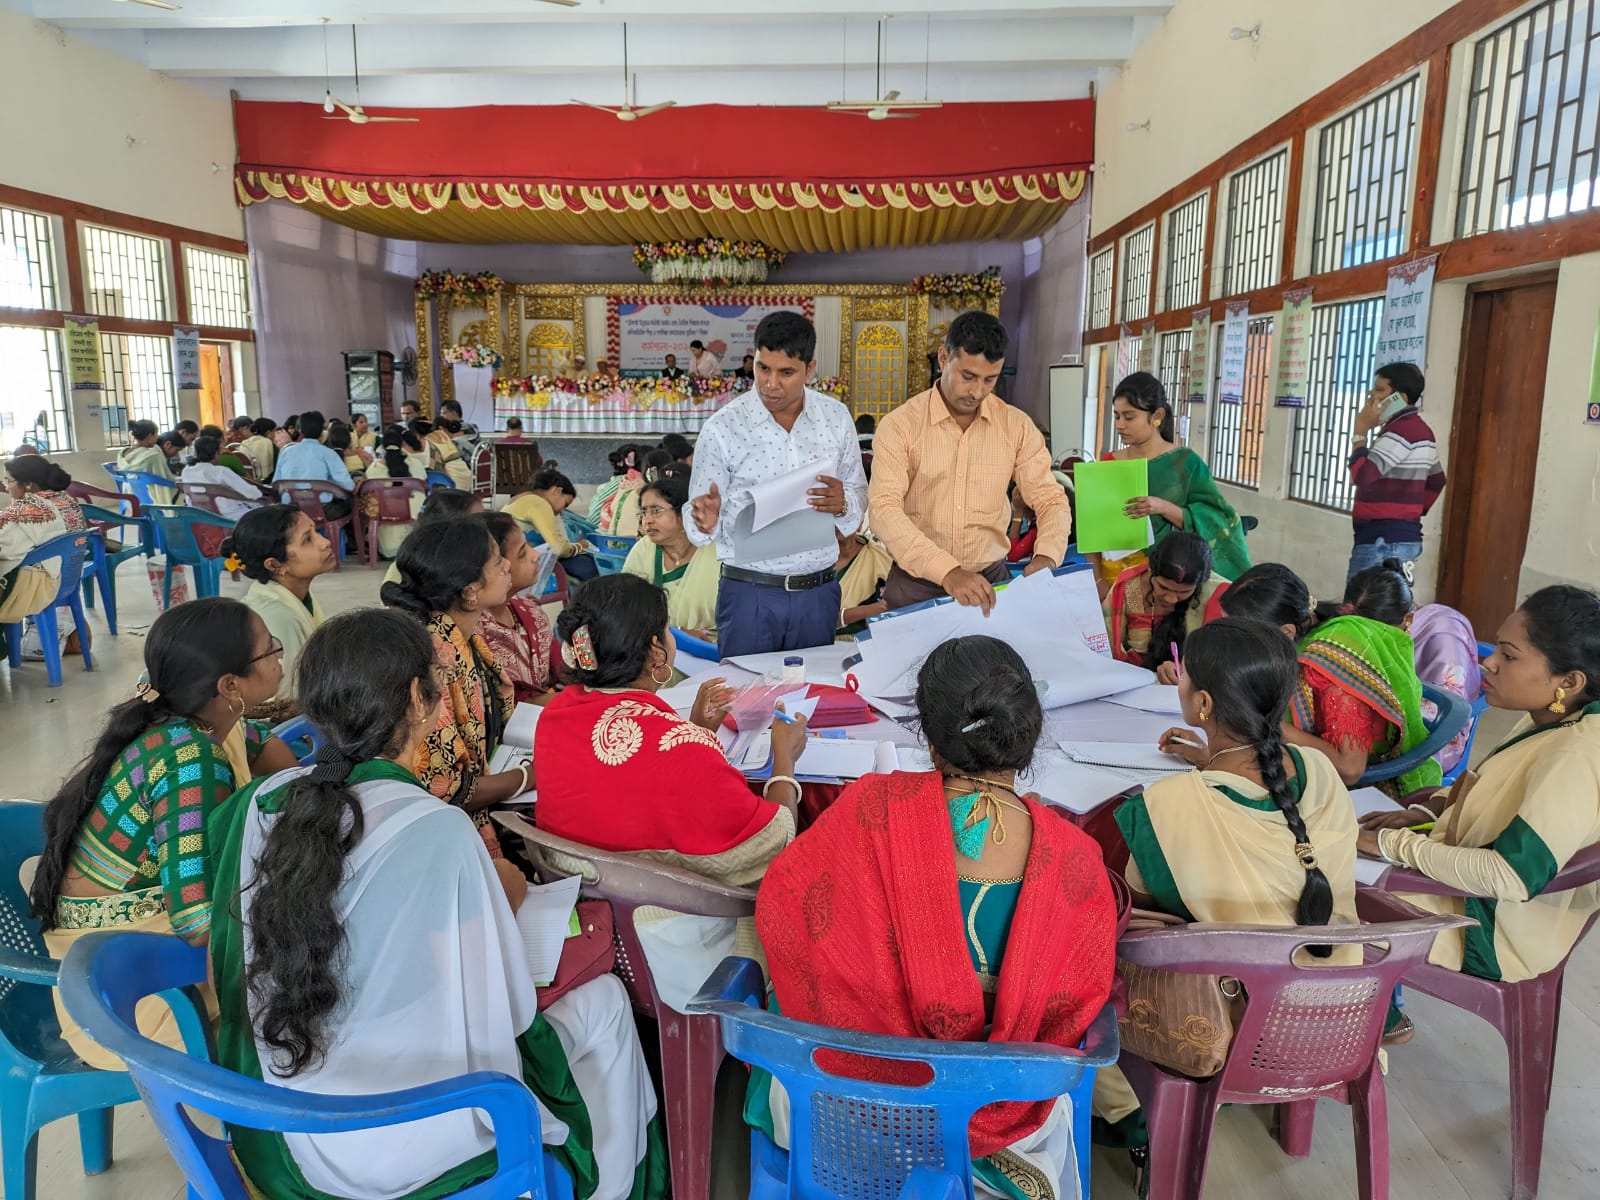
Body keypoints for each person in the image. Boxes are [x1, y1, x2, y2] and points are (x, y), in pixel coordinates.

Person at [207, 608, 667, 1200]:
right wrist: (509, 886)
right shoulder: (434, 827)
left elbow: (230, 953)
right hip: (400, 1138)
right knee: (603, 1003)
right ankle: (607, 1188)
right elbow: (503, 1005)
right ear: (418, 702)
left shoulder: (258, 803)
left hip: (281, 1117)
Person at [752, 635, 1117, 1196]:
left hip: (848, 1106)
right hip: (1002, 1120)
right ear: (1027, 732)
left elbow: (785, 903)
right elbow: (1074, 1013)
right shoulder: (1076, 862)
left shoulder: (869, 811)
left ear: (926, 731)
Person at [1095, 618, 1359, 1164]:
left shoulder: (1168, 807)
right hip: (1342, 1011)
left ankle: (1131, 1119)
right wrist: (1210, 762)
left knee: (1089, 957)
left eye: (1183, 678)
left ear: (1204, 706)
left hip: (1229, 1031)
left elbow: (1144, 909)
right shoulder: (1322, 771)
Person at [28, 598, 294, 1069]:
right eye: (269, 650)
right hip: (123, 989)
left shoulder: (194, 716)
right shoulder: (190, 760)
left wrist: (304, 791)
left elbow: (261, 744)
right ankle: (255, 1120)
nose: (278, 655)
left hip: (120, 952)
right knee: (306, 968)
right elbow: (198, 922)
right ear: (230, 684)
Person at [536, 573, 803, 1011]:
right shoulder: (678, 744)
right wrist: (785, 761)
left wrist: (697, 732)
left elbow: (629, 788)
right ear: (656, 650)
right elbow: (773, 843)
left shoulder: (558, 715)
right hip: (680, 949)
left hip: (596, 926)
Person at [1359, 586, 1600, 1000]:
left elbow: (1512, 875)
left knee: (1306, 881)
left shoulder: (1576, 752)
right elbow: (1501, 795)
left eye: (1508, 656)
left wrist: (1391, 844)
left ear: (1569, 681)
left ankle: (1354, 1033)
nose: (1487, 662)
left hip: (1490, 929)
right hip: (1475, 894)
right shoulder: (1554, 716)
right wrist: (1431, 813)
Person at [686, 311, 868, 657]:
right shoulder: (723, 427)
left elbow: (857, 493)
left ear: (809, 370)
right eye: (762, 368)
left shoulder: (835, 419)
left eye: (786, 373)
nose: (770, 383)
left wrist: (843, 503)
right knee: (744, 702)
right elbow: (697, 514)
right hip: (749, 593)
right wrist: (702, 520)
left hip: (818, 592)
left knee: (811, 701)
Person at [869, 312, 1072, 613]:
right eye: (968, 377)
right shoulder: (901, 426)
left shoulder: (1016, 427)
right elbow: (884, 510)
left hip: (990, 584)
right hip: (916, 588)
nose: (977, 391)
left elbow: (1050, 499)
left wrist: (1046, 556)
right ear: (943, 358)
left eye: (990, 379)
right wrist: (947, 571)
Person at [381, 517, 535, 882]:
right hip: (439, 834)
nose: (508, 566)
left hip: (490, 787)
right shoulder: (431, 662)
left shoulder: (464, 636)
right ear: (469, 591)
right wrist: (531, 775)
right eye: (498, 561)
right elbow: (446, 791)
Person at [1220, 562, 1440, 794]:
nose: (1230, 644)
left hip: (1367, 790)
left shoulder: (1332, 662)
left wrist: (1271, 727)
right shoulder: (1302, 638)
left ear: (1286, 632)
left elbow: (1350, 768)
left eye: (1238, 636)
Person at [1105, 372, 1251, 583]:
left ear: (1157, 417)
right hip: (1114, 578)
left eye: (1129, 417)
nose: (1119, 424)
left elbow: (1219, 519)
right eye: (1117, 416)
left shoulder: (1185, 463)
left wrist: (1163, 507)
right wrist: (1099, 581)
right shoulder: (1109, 463)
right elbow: (1092, 529)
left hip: (1171, 580)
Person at [222, 506, 336, 716]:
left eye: (316, 531)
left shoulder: (295, 596)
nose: (325, 542)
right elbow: (286, 702)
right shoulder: (278, 616)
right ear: (275, 565)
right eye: (307, 539)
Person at [1348, 362, 1446, 581]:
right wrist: (1409, 510)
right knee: (1388, 608)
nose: (1372, 395)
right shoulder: (1419, 430)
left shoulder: (1401, 432)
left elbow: (1362, 476)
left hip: (1383, 541)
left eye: (1380, 390)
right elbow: (1437, 480)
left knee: (1360, 609)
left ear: (1399, 397)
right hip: (1400, 537)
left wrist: (1360, 432)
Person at [1102, 530, 1228, 681]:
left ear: (1200, 584)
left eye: (1184, 592)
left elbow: (1225, 661)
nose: (1171, 599)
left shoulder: (1221, 596)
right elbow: (1105, 648)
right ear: (1151, 570)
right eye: (1163, 587)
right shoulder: (1128, 587)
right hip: (1132, 682)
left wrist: (1187, 672)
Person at [0, 455, 87, 656]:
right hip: (69, 573)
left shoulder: (31, 508)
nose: (6, 487)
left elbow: (8, 545)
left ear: (28, 484)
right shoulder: (64, 499)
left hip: (42, 579)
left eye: (8, 481)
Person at [622, 469, 720, 639]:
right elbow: (625, 606)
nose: (648, 520)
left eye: (656, 511)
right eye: (644, 512)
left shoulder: (715, 553)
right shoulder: (644, 549)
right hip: (655, 647)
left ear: (683, 514)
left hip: (713, 649)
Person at [478, 511, 556, 706]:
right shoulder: (474, 633)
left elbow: (566, 665)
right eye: (522, 553)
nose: (536, 554)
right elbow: (513, 704)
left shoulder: (530, 611)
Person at [1411, 601, 1483, 776]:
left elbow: (1442, 719)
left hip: (1441, 736)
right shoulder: (1419, 626)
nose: (1490, 664)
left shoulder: (1444, 643)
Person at [505, 469, 600, 582]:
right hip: (525, 561)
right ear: (557, 491)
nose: (561, 511)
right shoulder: (539, 504)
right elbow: (559, 549)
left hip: (513, 557)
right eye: (565, 504)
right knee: (589, 567)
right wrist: (580, 546)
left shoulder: (521, 498)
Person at [363, 423, 431, 560]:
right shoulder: (416, 465)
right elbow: (425, 485)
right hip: (415, 544)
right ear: (402, 444)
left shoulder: (373, 469)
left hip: (387, 545)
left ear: (382, 447)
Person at [272, 411, 354, 517]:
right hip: (322, 509)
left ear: (299, 430)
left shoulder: (286, 452)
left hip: (291, 509)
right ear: (322, 432)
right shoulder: (328, 453)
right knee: (350, 503)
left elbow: (276, 483)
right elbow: (348, 486)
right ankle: (338, 533)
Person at [181, 435, 265, 520]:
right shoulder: (221, 471)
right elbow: (253, 493)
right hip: (229, 517)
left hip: (201, 516)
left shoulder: (186, 471)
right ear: (216, 453)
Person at [835, 527, 892, 630]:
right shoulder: (804, 560)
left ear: (859, 523)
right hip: (814, 643)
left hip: (866, 641)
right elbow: (808, 621)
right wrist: (868, 610)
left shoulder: (878, 557)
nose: (837, 525)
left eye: (843, 515)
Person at [116, 420, 178, 503]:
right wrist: (178, 483)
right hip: (151, 499)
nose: (157, 437)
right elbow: (165, 478)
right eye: (156, 434)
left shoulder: (122, 453)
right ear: (150, 435)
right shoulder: (153, 456)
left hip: (131, 498)